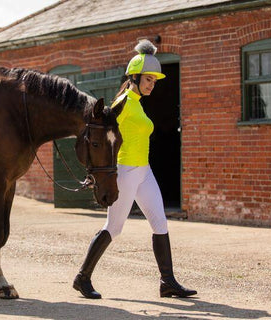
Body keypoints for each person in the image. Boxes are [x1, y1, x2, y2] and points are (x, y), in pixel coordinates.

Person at [73, 39, 197, 299]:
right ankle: (82, 278)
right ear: (135, 77)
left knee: (160, 223)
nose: (152, 84)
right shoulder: (124, 103)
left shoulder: (138, 102)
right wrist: (96, 172)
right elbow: (99, 132)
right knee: (114, 227)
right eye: (148, 79)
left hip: (144, 170)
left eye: (154, 80)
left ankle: (168, 282)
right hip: (126, 171)